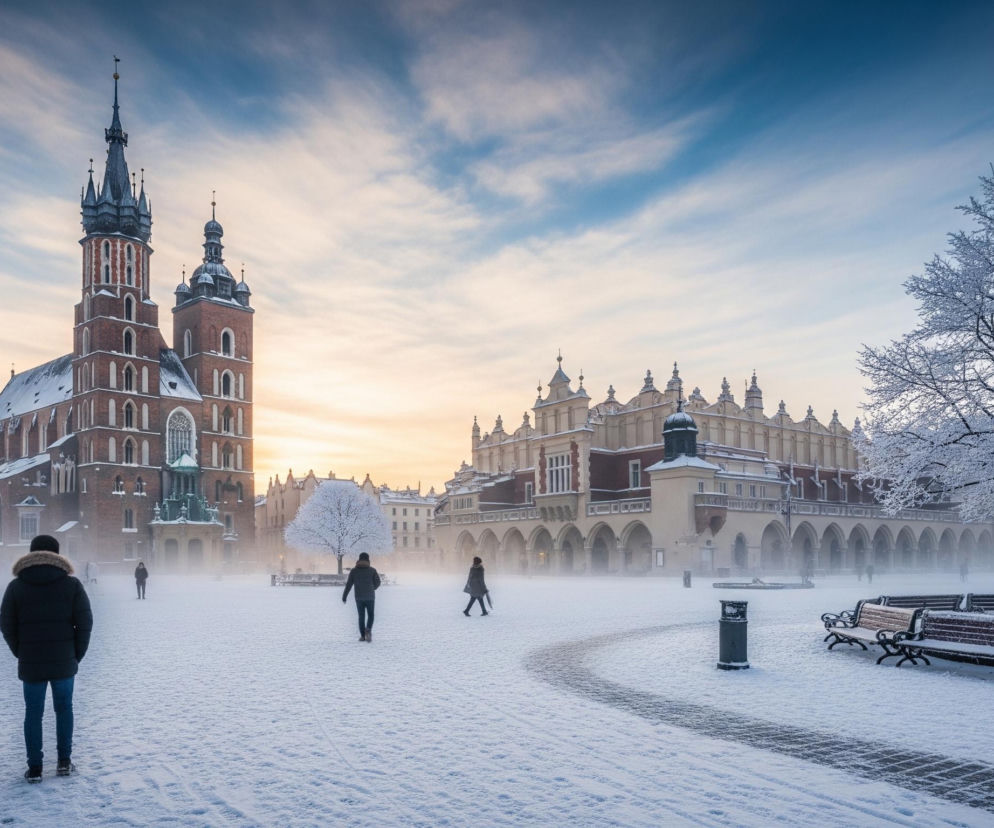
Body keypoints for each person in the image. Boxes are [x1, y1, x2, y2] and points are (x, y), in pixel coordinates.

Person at [0, 535, 92, 783]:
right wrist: (76, 655)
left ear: (31, 554)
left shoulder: (16, 586)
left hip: (31, 662)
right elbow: (85, 624)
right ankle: (64, 762)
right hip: (64, 660)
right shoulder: (71, 585)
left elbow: (6, 624)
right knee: (64, 710)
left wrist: (21, 650)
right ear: (57, 554)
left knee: (33, 713)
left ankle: (35, 768)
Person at [342, 552, 380, 642]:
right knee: (371, 615)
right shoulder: (372, 570)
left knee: (361, 616)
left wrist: (344, 596)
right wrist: (372, 588)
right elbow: (378, 583)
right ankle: (368, 629)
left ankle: (363, 636)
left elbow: (349, 585)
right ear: (368, 560)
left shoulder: (354, 571)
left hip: (359, 597)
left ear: (359, 560)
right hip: (370, 597)